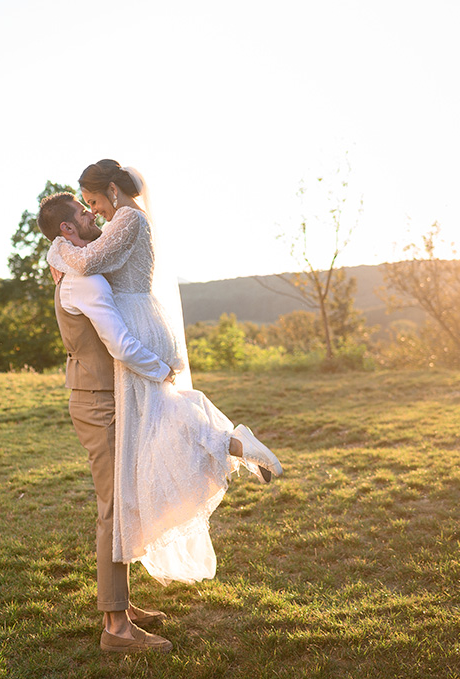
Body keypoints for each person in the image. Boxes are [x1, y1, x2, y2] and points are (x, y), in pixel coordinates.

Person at [46, 160, 283, 589]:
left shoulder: (128, 219)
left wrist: (56, 249)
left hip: (137, 325)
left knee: (159, 420)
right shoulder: (128, 218)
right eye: (87, 208)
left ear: (113, 191)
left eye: (94, 201)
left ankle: (232, 443)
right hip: (143, 321)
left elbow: (89, 260)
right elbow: (92, 258)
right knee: (160, 420)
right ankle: (232, 442)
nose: (94, 211)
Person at [37, 193, 175, 653]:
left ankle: (124, 604)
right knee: (113, 509)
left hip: (107, 397)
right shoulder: (86, 282)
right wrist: (162, 369)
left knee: (125, 500)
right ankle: (116, 628)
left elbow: (57, 248)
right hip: (99, 402)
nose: (91, 213)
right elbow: (117, 343)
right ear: (68, 232)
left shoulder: (74, 264)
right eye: (82, 212)